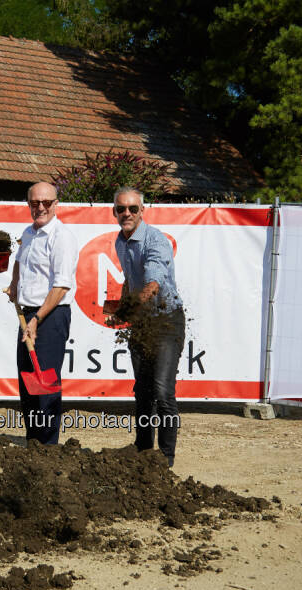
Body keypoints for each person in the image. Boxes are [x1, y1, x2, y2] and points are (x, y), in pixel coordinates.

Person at [109, 186, 185, 466]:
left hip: (166, 320)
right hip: (142, 321)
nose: (126, 213)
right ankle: (142, 452)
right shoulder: (120, 241)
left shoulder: (156, 240)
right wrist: (121, 308)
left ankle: (165, 460)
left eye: (132, 209)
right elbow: (132, 281)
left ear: (143, 211)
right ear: (114, 212)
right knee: (142, 391)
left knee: (162, 391)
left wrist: (128, 309)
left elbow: (152, 283)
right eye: (121, 209)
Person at [6, 181, 78, 444]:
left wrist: (37, 320)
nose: (40, 208)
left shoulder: (62, 238)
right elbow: (19, 261)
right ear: (28, 204)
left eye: (46, 203)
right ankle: (33, 442)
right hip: (27, 315)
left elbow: (61, 286)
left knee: (44, 383)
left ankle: (47, 446)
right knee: (28, 381)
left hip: (50, 315)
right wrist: (15, 284)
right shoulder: (28, 233)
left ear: (56, 204)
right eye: (35, 203)